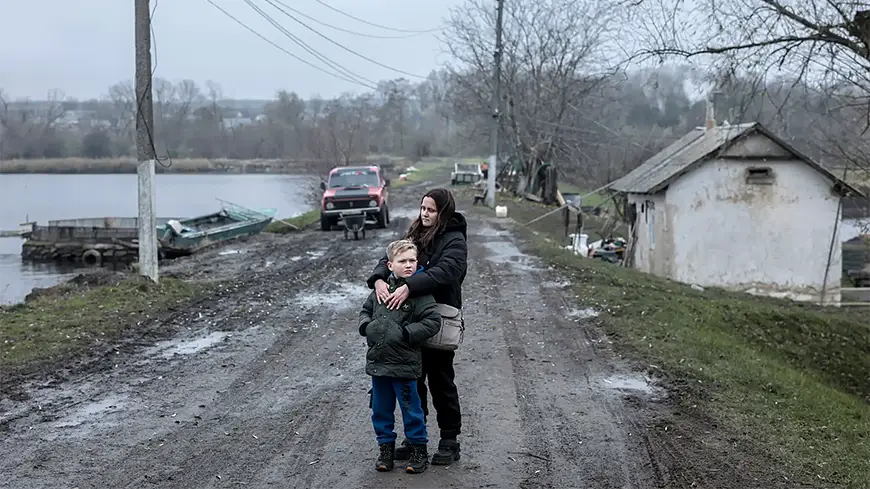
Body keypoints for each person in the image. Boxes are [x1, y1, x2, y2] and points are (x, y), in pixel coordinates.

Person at [366, 188, 468, 465]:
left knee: (441, 381)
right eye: (423, 208)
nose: (425, 213)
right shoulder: (415, 234)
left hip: (438, 318)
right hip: (409, 321)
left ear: (443, 212)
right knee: (414, 382)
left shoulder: (454, 239)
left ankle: (449, 440)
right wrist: (378, 278)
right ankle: (415, 439)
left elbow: (447, 271)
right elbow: (391, 256)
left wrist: (410, 287)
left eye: (431, 209)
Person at [358, 239, 442, 474]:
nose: (408, 265)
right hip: (378, 363)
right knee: (380, 410)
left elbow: (433, 321)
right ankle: (385, 451)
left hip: (405, 365)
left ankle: (418, 451)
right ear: (390, 265)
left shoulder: (419, 293)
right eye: (402, 261)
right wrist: (367, 327)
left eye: (412, 261)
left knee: (411, 410)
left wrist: (407, 333)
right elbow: (365, 311)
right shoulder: (381, 290)